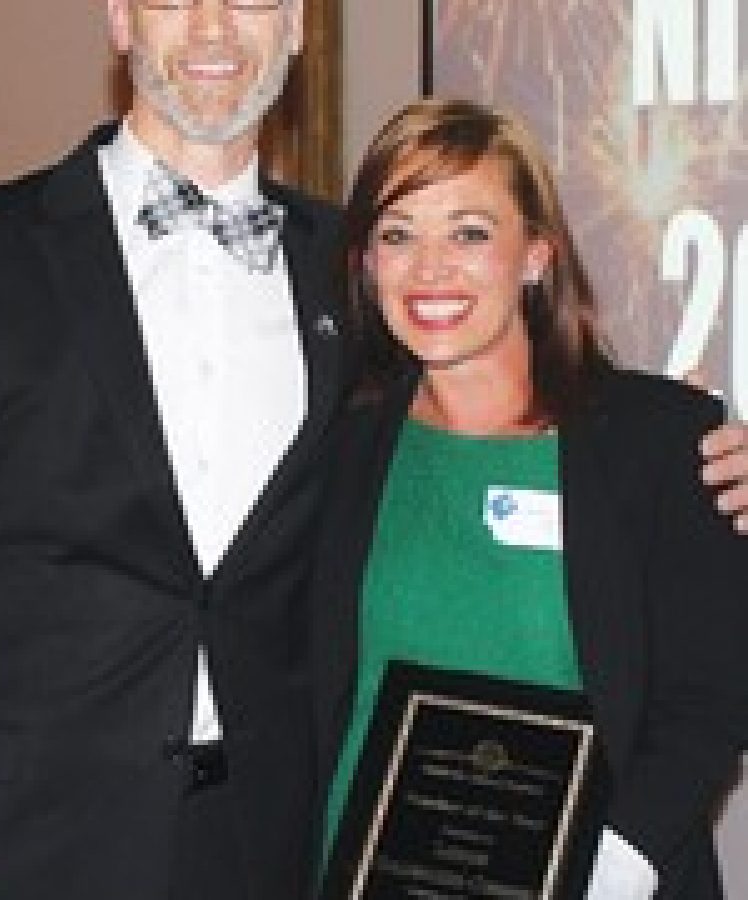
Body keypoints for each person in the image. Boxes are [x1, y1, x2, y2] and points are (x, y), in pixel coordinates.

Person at [0, 6, 746, 897]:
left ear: (296, 30)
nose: (211, 29)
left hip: (269, 848)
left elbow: (578, 445)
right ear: (120, 22)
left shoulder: (335, 269)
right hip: (22, 849)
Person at [314, 100, 748, 899]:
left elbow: (710, 699)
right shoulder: (337, 451)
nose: (431, 268)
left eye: (470, 232)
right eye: (398, 234)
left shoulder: (659, 441)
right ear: (367, 263)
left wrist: (615, 867)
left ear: (536, 255)